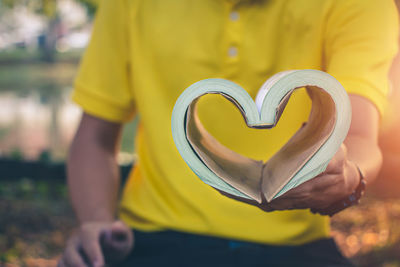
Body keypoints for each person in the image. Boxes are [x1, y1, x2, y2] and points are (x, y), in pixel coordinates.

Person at [58, 0, 399, 266]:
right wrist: (97, 222)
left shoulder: (360, 5)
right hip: (152, 236)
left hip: (294, 246)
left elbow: (358, 136)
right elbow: (96, 137)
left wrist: (347, 176)